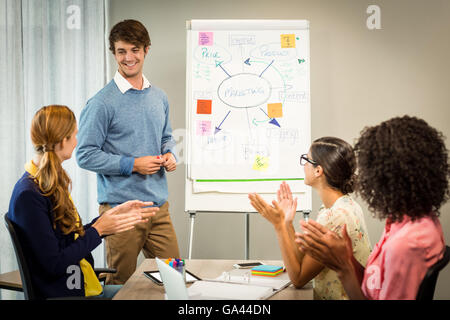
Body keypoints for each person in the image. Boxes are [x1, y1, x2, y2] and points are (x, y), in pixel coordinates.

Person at [7, 105, 159, 299]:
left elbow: (66, 240)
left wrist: (108, 219)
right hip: (68, 293)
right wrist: (98, 231)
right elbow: (53, 263)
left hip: (79, 287)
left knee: (150, 292)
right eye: (74, 135)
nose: (77, 142)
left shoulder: (46, 183)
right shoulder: (29, 195)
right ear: (63, 140)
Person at [296, 116, 448, 300]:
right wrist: (347, 259)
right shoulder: (412, 220)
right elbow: (373, 284)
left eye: (371, 170)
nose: (366, 178)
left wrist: (344, 268)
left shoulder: (405, 244)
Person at [76, 19, 180, 285]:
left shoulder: (160, 97)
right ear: (114, 53)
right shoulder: (101, 103)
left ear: (146, 50)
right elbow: (85, 154)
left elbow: (166, 137)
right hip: (120, 212)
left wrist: (170, 155)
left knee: (175, 282)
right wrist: (132, 164)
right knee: (120, 285)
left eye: (134, 50)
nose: (128, 57)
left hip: (158, 208)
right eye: (121, 51)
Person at [249, 137, 372, 300]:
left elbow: (299, 278)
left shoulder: (335, 216)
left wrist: (278, 226)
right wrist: (287, 223)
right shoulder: (342, 205)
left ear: (318, 171)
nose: (304, 165)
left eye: (306, 160)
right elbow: (302, 260)